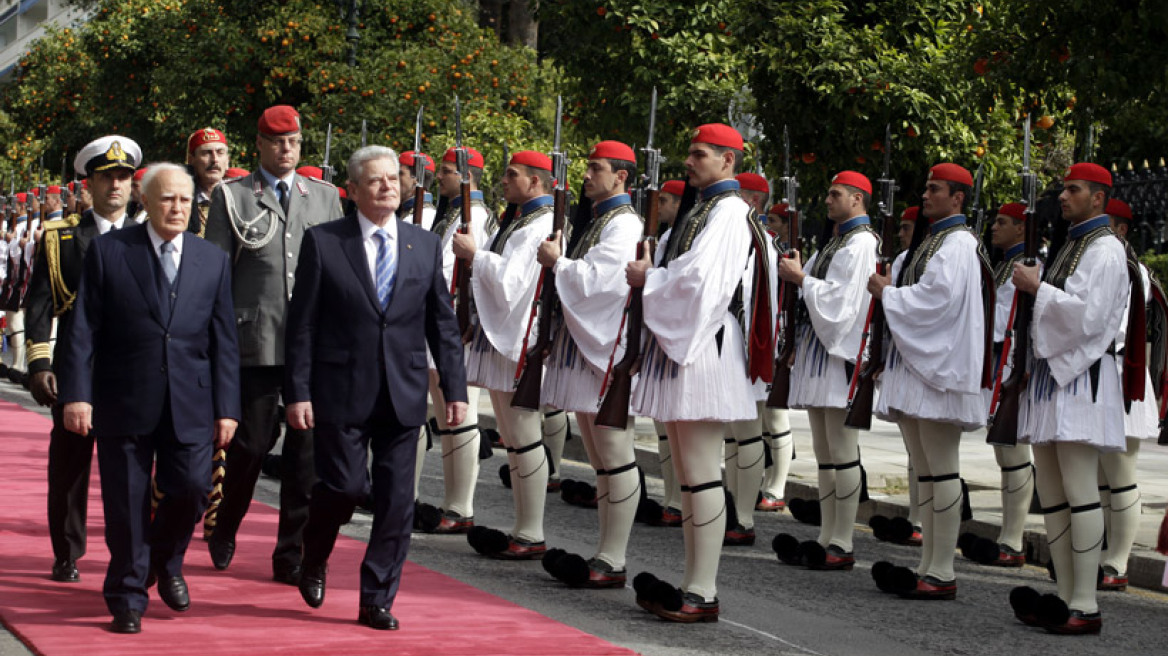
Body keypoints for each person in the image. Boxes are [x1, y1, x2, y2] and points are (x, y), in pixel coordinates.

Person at [286, 146, 468, 631]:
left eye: (394, 178)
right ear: (353, 191)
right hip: (340, 389)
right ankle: (314, 552)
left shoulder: (424, 245)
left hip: (403, 391)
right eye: (375, 180)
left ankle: (376, 598)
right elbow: (301, 326)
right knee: (343, 488)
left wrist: (455, 390)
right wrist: (298, 392)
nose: (388, 186)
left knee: (395, 503)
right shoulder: (324, 243)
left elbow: (442, 325)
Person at [57, 162, 240, 634]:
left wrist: (227, 407)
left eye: (184, 198)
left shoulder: (211, 259)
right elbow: (83, 332)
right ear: (145, 199)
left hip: (192, 402)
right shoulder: (109, 252)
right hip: (124, 399)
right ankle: (128, 596)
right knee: (128, 503)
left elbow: (224, 341)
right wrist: (77, 395)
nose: (177, 207)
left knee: (194, 487)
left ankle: (167, 559)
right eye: (166, 199)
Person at [203, 104, 342, 585]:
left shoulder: (324, 197)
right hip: (254, 339)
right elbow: (216, 272)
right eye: (278, 142)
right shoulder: (233, 196)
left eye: (294, 142)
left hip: (310, 344)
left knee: (305, 457)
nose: (287, 150)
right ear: (259, 144)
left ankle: (291, 554)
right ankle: (224, 524)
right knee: (250, 446)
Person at [627, 124, 760, 623]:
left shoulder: (727, 212)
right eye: (689, 153)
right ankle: (692, 583)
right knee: (688, 474)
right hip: (686, 341)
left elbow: (701, 280)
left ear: (729, 162)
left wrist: (649, 278)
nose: (690, 161)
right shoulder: (703, 209)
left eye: (700, 154)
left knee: (702, 472)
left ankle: (703, 590)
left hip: (704, 345)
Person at [1009, 163, 1129, 634]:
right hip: (1050, 378)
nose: (1063, 196)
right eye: (1062, 188)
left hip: (1080, 378)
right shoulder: (1072, 245)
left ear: (1098, 198)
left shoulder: (1105, 250)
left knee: (1080, 493)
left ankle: (1085, 601)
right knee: (1054, 494)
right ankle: (1063, 595)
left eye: (1073, 189)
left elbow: (1089, 316)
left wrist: (1038, 289)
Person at [868, 163, 990, 600]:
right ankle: (928, 563)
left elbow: (937, 301)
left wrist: (888, 293)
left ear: (958, 198)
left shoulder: (958, 244)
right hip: (920, 369)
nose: (926, 193)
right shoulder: (934, 241)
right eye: (926, 185)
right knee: (927, 470)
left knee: (941, 471)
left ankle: (941, 568)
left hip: (939, 372)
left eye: (934, 188)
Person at [25, 137, 139, 584]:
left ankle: (125, 552)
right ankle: (67, 551)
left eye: (123, 177)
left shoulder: (145, 236)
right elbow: (39, 303)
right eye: (106, 176)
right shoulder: (63, 238)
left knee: (127, 467)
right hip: (77, 365)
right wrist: (39, 363)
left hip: (130, 368)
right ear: (88, 183)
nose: (115, 184)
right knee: (71, 467)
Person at [538, 141, 642, 587]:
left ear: (620, 176)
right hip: (588, 344)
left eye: (595, 168)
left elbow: (602, 282)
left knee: (614, 454)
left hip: (607, 346)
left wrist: (559, 262)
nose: (586, 175)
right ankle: (606, 550)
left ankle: (614, 557)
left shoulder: (625, 224)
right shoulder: (602, 220)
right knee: (601, 457)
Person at [451, 150, 556, 559]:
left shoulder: (541, 223)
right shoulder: (519, 219)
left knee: (524, 435)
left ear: (537, 181)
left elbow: (514, 281)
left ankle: (531, 530)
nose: (504, 180)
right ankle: (522, 526)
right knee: (513, 438)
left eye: (513, 175)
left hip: (518, 336)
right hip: (501, 333)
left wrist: (476, 255)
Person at [773, 170, 877, 570]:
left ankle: (843, 540)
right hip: (820, 352)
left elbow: (844, 303)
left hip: (840, 356)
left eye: (835, 194)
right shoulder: (836, 242)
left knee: (843, 451)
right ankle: (825, 535)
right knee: (825, 452)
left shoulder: (861, 243)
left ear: (857, 199)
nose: (828, 200)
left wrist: (802, 280)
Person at [420, 146, 493, 534]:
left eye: (446, 171)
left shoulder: (474, 216)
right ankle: (452, 501)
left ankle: (461, 504)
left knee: (461, 414)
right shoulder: (450, 213)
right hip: (440, 319)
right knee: (445, 414)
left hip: (458, 323)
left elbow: (456, 267)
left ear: (467, 176)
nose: (440, 177)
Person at [964, 202, 1035, 567]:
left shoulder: (1027, 264)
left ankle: (1014, 538)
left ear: (1023, 229)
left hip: (1011, 360)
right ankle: (1010, 536)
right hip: (996, 358)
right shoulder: (1003, 262)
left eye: (1003, 222)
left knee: (1014, 452)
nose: (994, 227)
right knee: (1004, 451)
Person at [1096, 198, 1158, 591]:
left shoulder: (1133, 270)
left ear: (1120, 230)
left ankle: (1118, 561)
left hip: (1121, 374)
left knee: (1120, 476)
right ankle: (1104, 553)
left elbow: (1112, 326)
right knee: (1102, 478)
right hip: (1103, 376)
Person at [650, 178, 686, 526]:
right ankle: (672, 498)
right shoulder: (665, 237)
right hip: (661, 332)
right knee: (664, 428)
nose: (658, 207)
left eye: (665, 201)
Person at [185, 128, 231, 237]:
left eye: (220, 153)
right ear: (191, 160)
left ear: (227, 161)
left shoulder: (238, 198)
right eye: (206, 153)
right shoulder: (181, 201)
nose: (214, 159)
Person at [396, 150, 436, 229]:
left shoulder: (426, 216)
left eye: (400, 173)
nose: (394, 178)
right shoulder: (405, 211)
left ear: (417, 179)